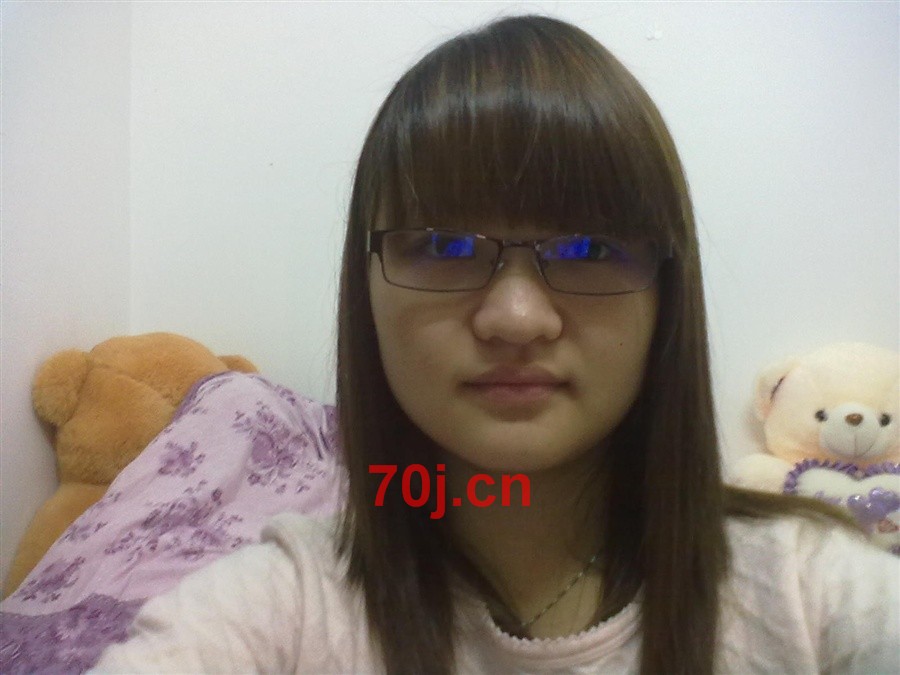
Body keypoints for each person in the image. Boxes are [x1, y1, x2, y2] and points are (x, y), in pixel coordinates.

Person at [94, 14, 898, 674]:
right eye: (444, 245)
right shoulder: (281, 607)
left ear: (667, 292)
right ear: (364, 288)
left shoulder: (812, 590)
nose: (516, 318)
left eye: (588, 247)